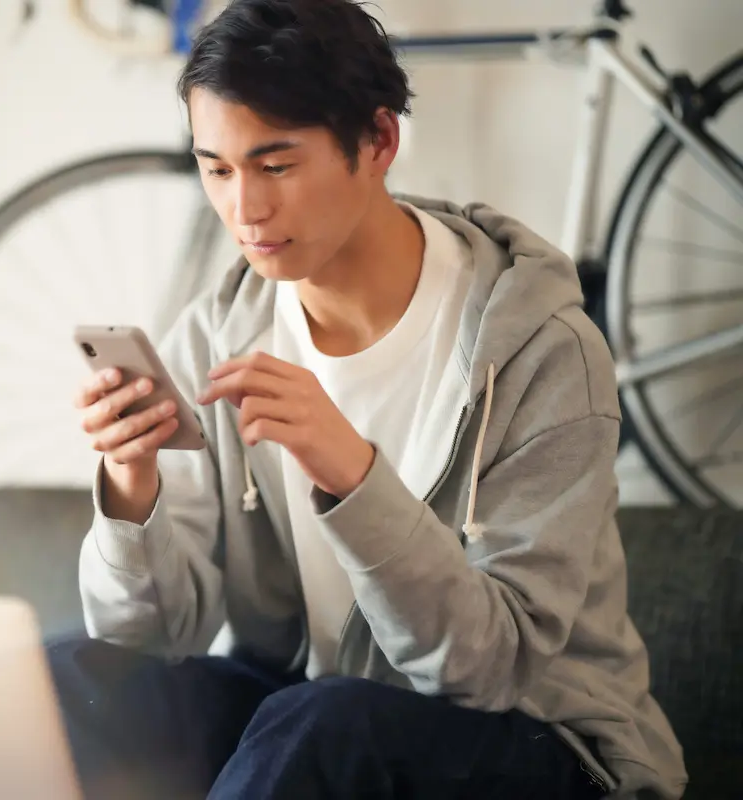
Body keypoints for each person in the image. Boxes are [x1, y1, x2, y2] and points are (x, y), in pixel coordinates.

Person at [50, 1, 686, 798]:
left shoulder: (542, 349)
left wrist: (351, 474)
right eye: (217, 168)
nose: (244, 210)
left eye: (276, 165)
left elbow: (487, 667)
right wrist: (131, 490)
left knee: (325, 725)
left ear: (379, 142)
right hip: (309, 720)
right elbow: (141, 635)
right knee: (65, 679)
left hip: (544, 745)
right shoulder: (219, 335)